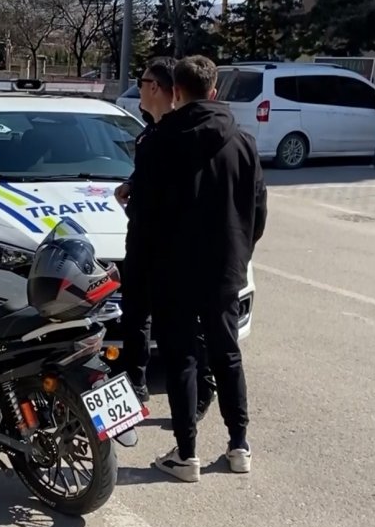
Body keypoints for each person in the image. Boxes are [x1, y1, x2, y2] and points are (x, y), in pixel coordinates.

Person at [147, 55, 267, 483]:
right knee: (226, 354)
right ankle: (239, 446)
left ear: (176, 92)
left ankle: (187, 454)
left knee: (181, 358)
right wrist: (240, 253)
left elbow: (146, 214)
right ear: (214, 92)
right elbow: (258, 210)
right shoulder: (243, 142)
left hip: (175, 268)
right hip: (224, 267)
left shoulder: (161, 141)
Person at [113, 57, 217, 413]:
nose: (138, 89)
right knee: (135, 314)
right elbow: (151, 176)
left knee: (184, 324)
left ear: (155, 87)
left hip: (172, 247)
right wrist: (132, 185)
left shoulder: (183, 134)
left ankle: (202, 389)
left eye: (141, 82)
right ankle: (135, 383)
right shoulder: (150, 132)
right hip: (142, 240)